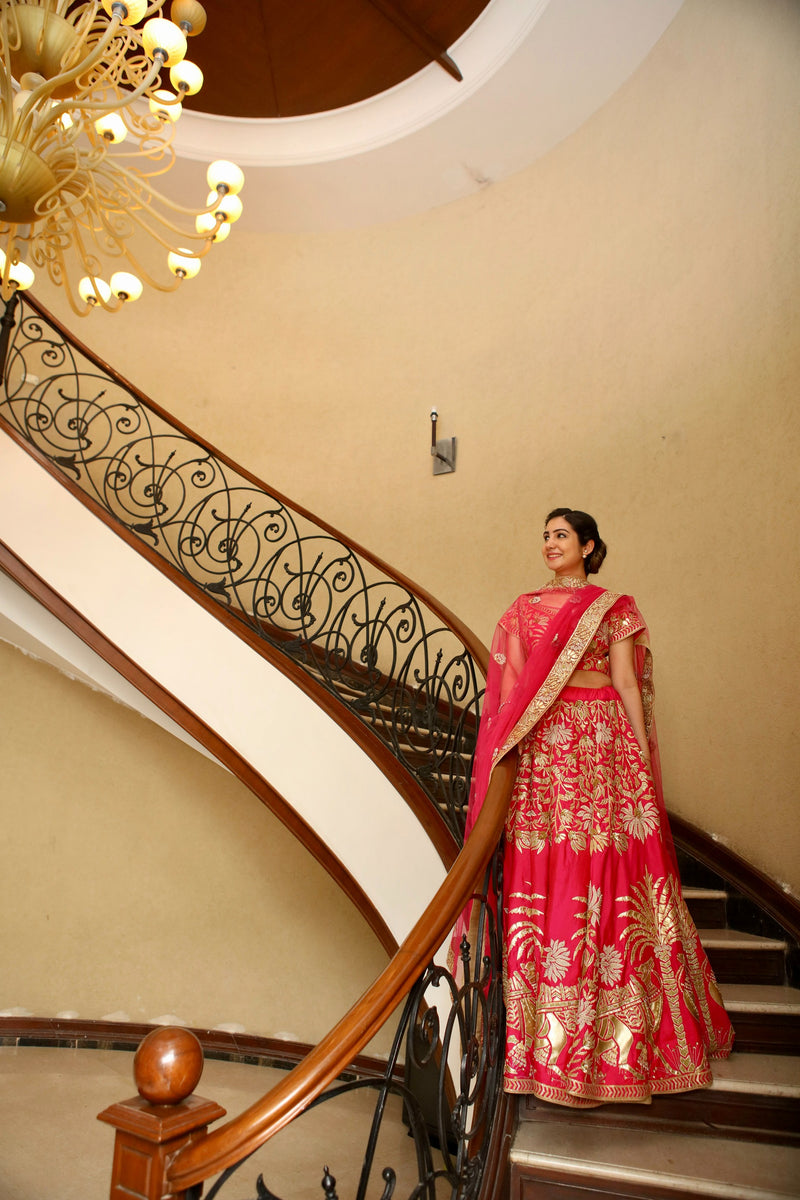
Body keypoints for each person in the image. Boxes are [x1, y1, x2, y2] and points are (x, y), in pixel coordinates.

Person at [460, 508, 733, 1107]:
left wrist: (639, 759)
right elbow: (507, 695)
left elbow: (628, 684)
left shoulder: (615, 608)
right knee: (552, 871)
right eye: (546, 536)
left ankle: (627, 1044)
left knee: (611, 872)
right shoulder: (522, 610)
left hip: (604, 747)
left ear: (588, 545)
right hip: (545, 752)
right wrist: (504, 755)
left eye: (562, 535)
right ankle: (551, 1048)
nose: (551, 544)